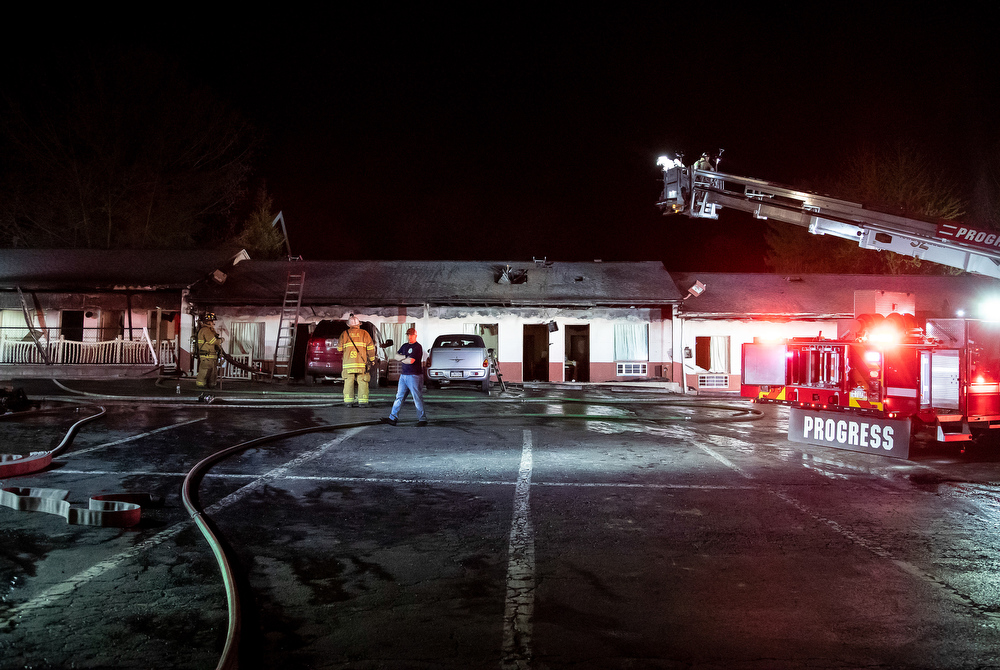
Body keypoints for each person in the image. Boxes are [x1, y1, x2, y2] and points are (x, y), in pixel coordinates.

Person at [382, 327, 427, 426]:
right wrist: (405, 357)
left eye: (411, 335)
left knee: (417, 397)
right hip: (404, 375)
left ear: (415, 335)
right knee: (399, 397)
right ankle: (392, 418)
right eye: (408, 335)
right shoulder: (405, 346)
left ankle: (422, 419)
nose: (410, 337)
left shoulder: (417, 347)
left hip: (414, 376)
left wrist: (402, 358)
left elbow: (411, 361)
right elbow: (396, 356)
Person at [338, 315, 376, 407]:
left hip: (348, 365)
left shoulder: (344, 334)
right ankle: (362, 402)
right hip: (361, 364)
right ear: (359, 324)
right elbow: (371, 349)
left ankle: (348, 402)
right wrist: (372, 360)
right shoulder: (365, 333)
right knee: (363, 381)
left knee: (348, 382)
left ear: (348, 325)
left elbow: (339, 348)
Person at [196, 313, 224, 390]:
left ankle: (212, 385)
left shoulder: (210, 330)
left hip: (211, 356)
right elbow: (213, 341)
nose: (213, 323)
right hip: (207, 356)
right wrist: (221, 340)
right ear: (208, 322)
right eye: (212, 321)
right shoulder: (205, 330)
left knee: (213, 373)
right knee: (205, 371)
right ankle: (200, 386)